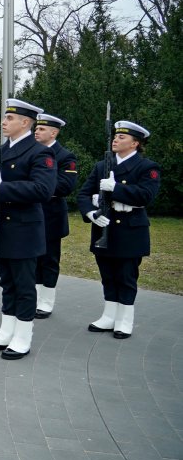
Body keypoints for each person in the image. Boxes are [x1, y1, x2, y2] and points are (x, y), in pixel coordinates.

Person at [0, 99, 56, 359]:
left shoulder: (40, 152)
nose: (4, 123)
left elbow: (44, 189)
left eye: (10, 119)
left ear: (26, 122)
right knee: (6, 282)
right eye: (5, 118)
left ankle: (23, 336)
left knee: (23, 284)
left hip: (23, 229)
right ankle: (6, 331)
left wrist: (3, 189)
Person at [77, 120, 160, 339]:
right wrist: (91, 213)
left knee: (126, 276)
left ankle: (124, 320)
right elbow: (83, 195)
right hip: (104, 227)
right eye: (115, 135)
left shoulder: (146, 167)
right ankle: (109, 316)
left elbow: (146, 195)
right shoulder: (101, 166)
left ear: (135, 143)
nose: (115, 139)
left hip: (130, 231)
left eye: (122, 137)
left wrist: (116, 189)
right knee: (107, 275)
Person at [33, 114, 78, 318]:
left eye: (42, 129)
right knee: (32, 258)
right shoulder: (31, 153)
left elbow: (65, 186)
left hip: (50, 215)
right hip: (30, 213)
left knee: (49, 259)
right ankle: (34, 296)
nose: (37, 131)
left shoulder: (65, 156)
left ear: (54, 132)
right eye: (37, 128)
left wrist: (37, 187)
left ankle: (47, 300)